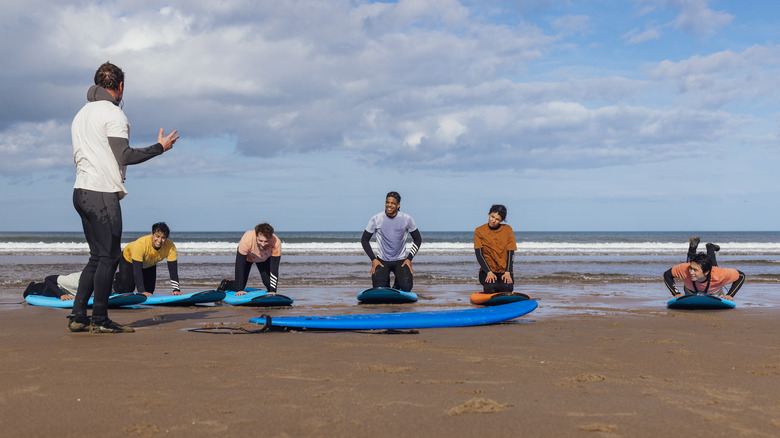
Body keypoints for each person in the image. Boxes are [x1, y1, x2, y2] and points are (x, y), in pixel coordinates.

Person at [69, 61, 179, 333]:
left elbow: (98, 154)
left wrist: (115, 171)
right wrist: (159, 148)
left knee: (97, 256)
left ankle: (79, 316)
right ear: (120, 87)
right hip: (102, 194)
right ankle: (101, 319)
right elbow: (124, 154)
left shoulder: (81, 114)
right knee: (109, 257)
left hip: (81, 191)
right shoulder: (114, 114)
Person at [361, 191, 422, 292]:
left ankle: (398, 283)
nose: (389, 205)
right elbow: (364, 240)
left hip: (401, 260)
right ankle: (385, 280)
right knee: (379, 288)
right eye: (387, 202)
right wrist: (373, 260)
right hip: (382, 260)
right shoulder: (376, 219)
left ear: (398, 205)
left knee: (406, 287)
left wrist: (409, 259)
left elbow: (418, 239)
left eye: (392, 203)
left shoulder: (406, 219)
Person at [113, 222, 181, 297]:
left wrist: (176, 290)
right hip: (128, 259)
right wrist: (141, 291)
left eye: (163, 237)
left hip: (149, 263)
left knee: (149, 291)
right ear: (152, 234)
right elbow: (137, 270)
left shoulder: (170, 247)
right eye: (157, 236)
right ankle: (117, 281)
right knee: (127, 290)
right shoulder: (141, 244)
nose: (159, 240)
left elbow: (173, 270)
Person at [663, 252, 745, 300]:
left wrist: (730, 295)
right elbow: (667, 275)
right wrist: (675, 293)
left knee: (713, 265)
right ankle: (692, 248)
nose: (691, 272)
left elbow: (741, 276)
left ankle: (711, 248)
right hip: (690, 291)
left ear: (706, 272)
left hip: (714, 293)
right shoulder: (684, 268)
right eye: (691, 268)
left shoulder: (719, 274)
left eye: (695, 270)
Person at [474, 204, 517, 293]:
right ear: (489, 214)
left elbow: (511, 253)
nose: (493, 220)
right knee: (491, 288)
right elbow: (479, 255)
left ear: (502, 220)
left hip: (504, 271)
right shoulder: (479, 231)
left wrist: (508, 272)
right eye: (492, 216)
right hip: (487, 271)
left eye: (497, 219)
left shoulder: (507, 229)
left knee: (507, 288)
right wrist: (489, 272)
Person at [234, 223, 282, 296]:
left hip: (263, 259)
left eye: (266, 241)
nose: (263, 244)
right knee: (240, 284)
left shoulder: (276, 242)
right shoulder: (247, 239)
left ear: (271, 237)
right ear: (256, 236)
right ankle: (225, 284)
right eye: (260, 241)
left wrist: (273, 291)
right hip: (247, 258)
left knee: (267, 282)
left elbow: (274, 268)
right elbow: (240, 266)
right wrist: (239, 290)